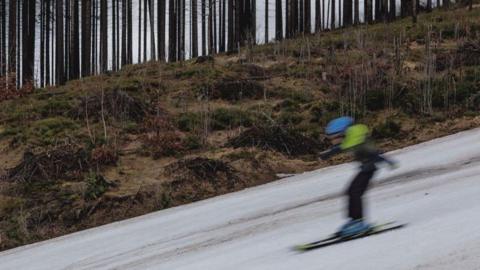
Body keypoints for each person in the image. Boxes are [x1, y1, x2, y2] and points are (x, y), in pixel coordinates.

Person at [319, 117, 397, 238]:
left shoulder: (358, 141)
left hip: (369, 169)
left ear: (342, 133)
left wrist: (387, 161)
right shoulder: (352, 138)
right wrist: (327, 154)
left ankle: (359, 223)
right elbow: (340, 147)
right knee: (351, 192)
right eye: (330, 138)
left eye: (333, 138)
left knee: (355, 192)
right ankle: (354, 221)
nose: (332, 141)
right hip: (365, 169)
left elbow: (374, 153)